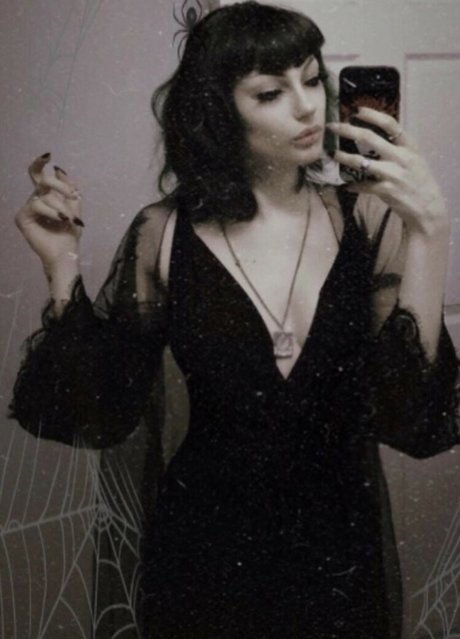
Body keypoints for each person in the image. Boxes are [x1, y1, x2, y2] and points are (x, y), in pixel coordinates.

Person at [10, 2, 460, 638]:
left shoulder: (366, 220)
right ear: (218, 110)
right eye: (272, 92)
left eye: (313, 79)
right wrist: (62, 265)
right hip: (205, 549)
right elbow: (100, 413)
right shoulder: (164, 233)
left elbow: (415, 419)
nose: (308, 106)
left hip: (340, 546)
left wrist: (431, 230)